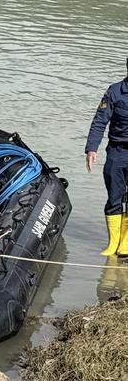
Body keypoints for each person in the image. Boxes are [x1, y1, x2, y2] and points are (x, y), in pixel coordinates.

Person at [85, 57, 128, 256]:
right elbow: (100, 121)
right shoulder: (115, 91)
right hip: (117, 152)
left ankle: (126, 244)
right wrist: (91, 149)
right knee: (114, 198)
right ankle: (113, 243)